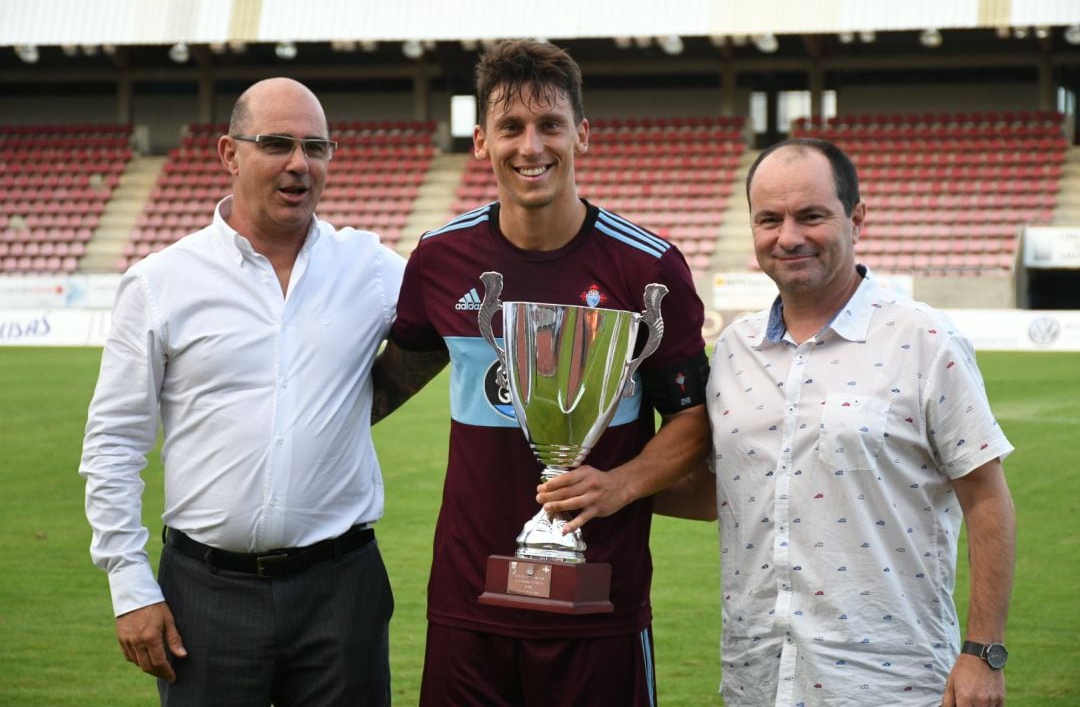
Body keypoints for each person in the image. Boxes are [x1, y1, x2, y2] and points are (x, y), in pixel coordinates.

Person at [370, 39, 711, 706]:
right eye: (511, 128)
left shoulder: (649, 270)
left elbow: (694, 420)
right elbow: (384, 386)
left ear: (581, 135)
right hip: (469, 606)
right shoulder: (439, 261)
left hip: (599, 607)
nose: (532, 146)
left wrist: (619, 484)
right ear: (480, 142)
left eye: (550, 125)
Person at [655, 137, 1017, 707]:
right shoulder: (732, 352)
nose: (789, 236)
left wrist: (983, 653)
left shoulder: (924, 340)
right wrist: (604, 481)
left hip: (892, 681)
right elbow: (724, 493)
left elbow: (987, 500)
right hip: (758, 676)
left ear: (857, 218)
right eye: (769, 219)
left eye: (811, 215)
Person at [79, 77, 404, 706]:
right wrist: (131, 585)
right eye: (277, 143)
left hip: (343, 589)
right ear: (229, 152)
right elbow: (114, 443)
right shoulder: (159, 283)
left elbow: (469, 315)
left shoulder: (370, 268)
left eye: (316, 147)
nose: (299, 164)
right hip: (206, 593)